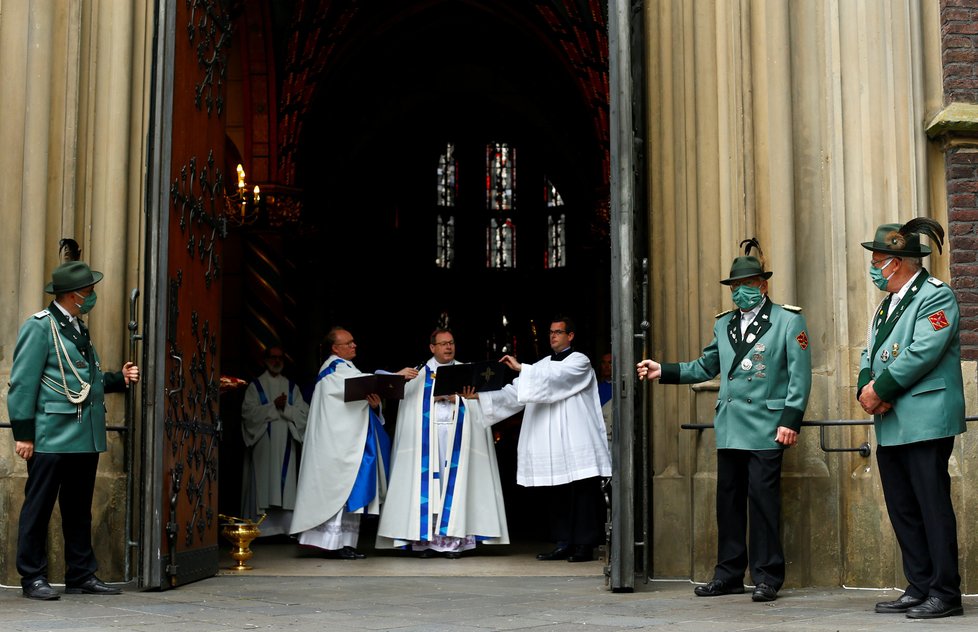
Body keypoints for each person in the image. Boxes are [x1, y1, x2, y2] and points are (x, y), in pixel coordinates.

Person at [636, 241, 811, 602]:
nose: (740, 292)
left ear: (763, 285)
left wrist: (790, 420)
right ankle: (728, 573)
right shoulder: (724, 325)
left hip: (767, 425)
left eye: (747, 284)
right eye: (734, 286)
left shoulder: (788, 320)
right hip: (731, 425)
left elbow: (800, 375)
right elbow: (705, 367)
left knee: (763, 503)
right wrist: (663, 370)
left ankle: (767, 577)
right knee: (728, 504)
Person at [7, 261, 140, 600]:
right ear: (72, 295)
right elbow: (22, 384)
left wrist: (117, 379)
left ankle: (81, 573)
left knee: (78, 508)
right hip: (51, 434)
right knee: (38, 507)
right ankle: (32, 577)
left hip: (82, 434)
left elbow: (83, 378)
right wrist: (24, 434)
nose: (93, 296)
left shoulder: (77, 327)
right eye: (89, 291)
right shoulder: (40, 327)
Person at [857, 218, 966, 620]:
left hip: (924, 418)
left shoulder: (936, 297)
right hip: (892, 421)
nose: (873, 266)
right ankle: (919, 585)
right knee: (903, 506)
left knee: (931, 505)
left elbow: (923, 352)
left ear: (898, 261)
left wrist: (880, 391)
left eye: (878, 259)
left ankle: (945, 592)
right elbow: (869, 353)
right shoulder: (887, 304)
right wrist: (865, 387)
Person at [474, 316, 611, 563]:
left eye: (559, 332)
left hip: (577, 439)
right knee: (557, 492)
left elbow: (557, 379)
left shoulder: (580, 361)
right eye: (551, 332)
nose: (553, 336)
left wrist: (522, 368)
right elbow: (517, 392)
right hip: (552, 444)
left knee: (582, 493)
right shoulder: (541, 365)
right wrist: (480, 397)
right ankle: (563, 542)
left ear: (570, 336)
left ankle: (584, 545)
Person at [377, 328, 509, 558]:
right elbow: (403, 408)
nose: (448, 347)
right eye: (443, 344)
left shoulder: (467, 371)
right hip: (425, 444)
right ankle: (425, 544)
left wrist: (456, 399)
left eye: (451, 343)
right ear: (432, 347)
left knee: (454, 488)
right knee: (428, 489)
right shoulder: (416, 375)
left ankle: (453, 543)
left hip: (457, 440)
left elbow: (479, 405)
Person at [289, 327, 417, 559]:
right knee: (337, 491)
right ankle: (330, 543)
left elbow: (360, 395)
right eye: (348, 343)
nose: (354, 345)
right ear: (335, 348)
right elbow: (359, 385)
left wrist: (375, 406)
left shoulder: (346, 368)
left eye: (354, 342)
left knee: (349, 491)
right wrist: (396, 376)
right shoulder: (334, 369)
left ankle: (345, 543)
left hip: (348, 443)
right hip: (335, 445)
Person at [240, 346, 309, 536]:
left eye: (280, 358)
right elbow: (248, 414)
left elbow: (305, 414)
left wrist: (286, 407)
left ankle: (286, 528)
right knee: (263, 480)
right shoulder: (256, 386)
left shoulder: (291, 387)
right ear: (265, 360)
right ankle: (261, 530)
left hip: (287, 441)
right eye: (273, 357)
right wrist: (273, 407)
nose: (277, 361)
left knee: (286, 487)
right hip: (264, 443)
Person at [597, 352, 613, 444]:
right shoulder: (594, 388)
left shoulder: (621, 388)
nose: (606, 366)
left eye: (610, 363)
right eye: (604, 363)